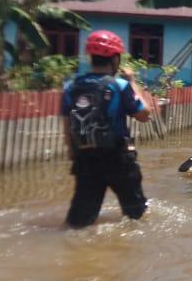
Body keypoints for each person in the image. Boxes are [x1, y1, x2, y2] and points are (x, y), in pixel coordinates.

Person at [61, 30, 152, 228]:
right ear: (115, 58)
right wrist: (132, 82)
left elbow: (67, 127)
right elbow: (144, 114)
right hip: (117, 158)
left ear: (90, 58)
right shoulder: (119, 85)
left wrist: (74, 154)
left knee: (80, 221)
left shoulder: (71, 87)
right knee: (136, 215)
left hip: (85, 159)